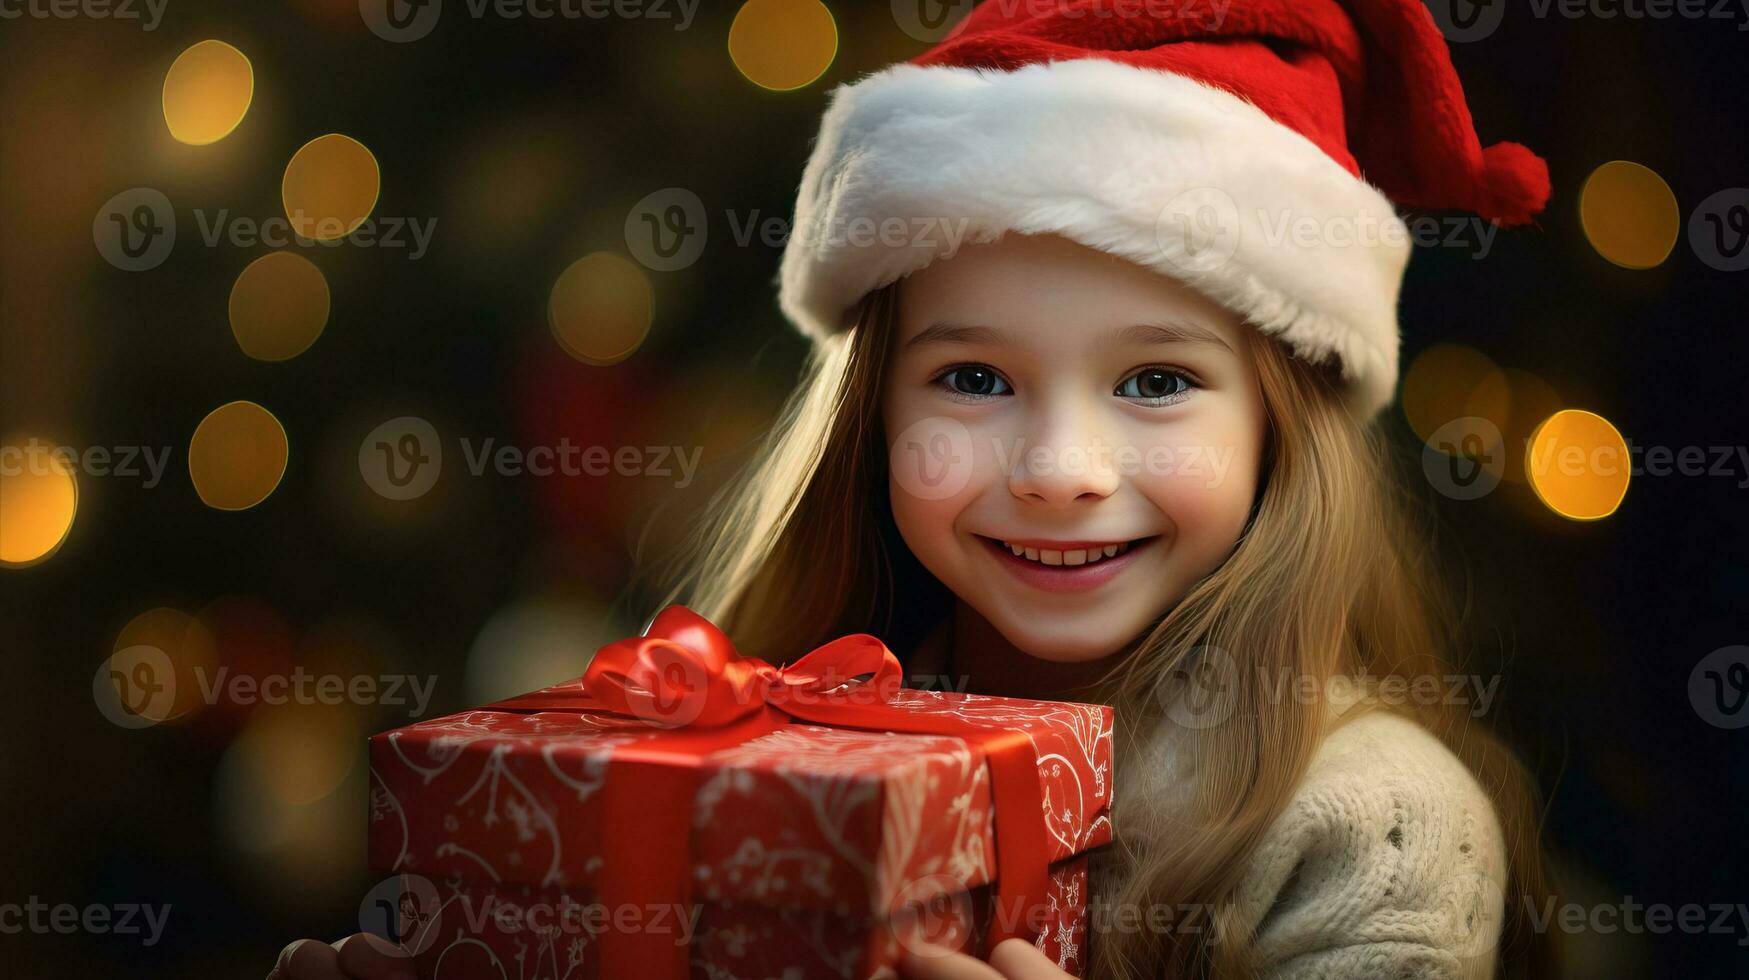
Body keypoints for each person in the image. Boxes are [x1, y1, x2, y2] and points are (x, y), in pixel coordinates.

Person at [276, 1, 1563, 976]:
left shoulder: (1372, 822)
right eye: (978, 381)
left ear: (1287, 425)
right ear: (874, 417)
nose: (1062, 471)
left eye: (1159, 382)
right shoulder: (788, 736)